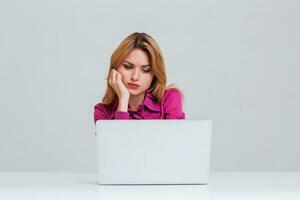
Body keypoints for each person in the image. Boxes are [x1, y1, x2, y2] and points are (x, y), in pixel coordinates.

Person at [94, 32, 185, 123]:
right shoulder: (102, 111)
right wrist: (123, 100)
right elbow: (119, 137)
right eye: (128, 67)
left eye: (145, 70)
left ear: (155, 74)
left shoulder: (169, 98)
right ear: (115, 69)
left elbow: (177, 137)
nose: (135, 77)